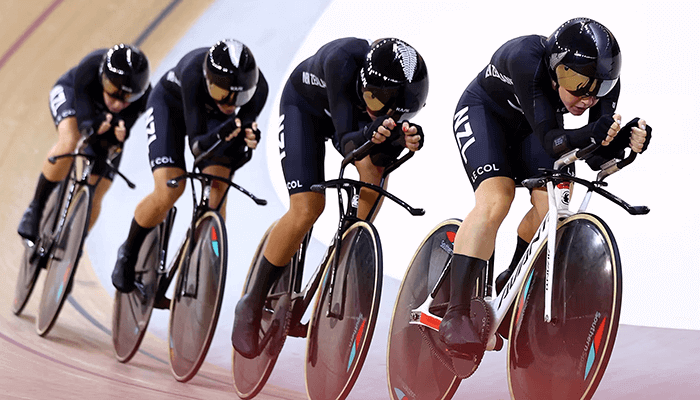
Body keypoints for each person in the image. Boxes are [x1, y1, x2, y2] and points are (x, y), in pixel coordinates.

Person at [442, 18, 652, 357]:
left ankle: (512, 277)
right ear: (556, 69)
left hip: (532, 129)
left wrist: (623, 141)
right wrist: (594, 133)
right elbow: (555, 141)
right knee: (497, 199)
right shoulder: (526, 58)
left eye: (600, 87)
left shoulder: (599, 88)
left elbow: (595, 158)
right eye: (577, 83)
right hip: (486, 114)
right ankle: (456, 312)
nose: (587, 97)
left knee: (556, 203)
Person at [231, 37, 429, 359]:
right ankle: (251, 303)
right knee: (308, 207)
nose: (378, 109)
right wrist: (372, 131)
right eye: (373, 100)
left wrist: (404, 139)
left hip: (350, 122)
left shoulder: (382, 101)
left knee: (376, 171)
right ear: (364, 82)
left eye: (390, 109)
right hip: (305, 109)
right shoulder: (342, 60)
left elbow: (378, 156)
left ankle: (349, 243)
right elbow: (348, 142)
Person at [110, 39, 269, 293]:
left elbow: (241, 138)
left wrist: (248, 137)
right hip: (170, 108)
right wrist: (226, 130)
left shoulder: (258, 88)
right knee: (170, 189)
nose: (230, 103)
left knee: (218, 193)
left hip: (214, 122)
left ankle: (206, 267)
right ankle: (128, 252)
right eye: (221, 94)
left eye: (239, 97)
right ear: (208, 80)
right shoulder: (193, 72)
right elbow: (198, 146)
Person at [17, 44, 151, 242]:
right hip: (72, 97)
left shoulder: (144, 97)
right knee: (69, 141)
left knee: (99, 188)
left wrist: (116, 135)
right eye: (113, 91)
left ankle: (75, 245)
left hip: (103, 124)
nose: (117, 104)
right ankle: (35, 208)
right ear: (103, 78)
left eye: (127, 99)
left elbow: (120, 135)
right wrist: (96, 126)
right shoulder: (90, 67)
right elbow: (85, 121)